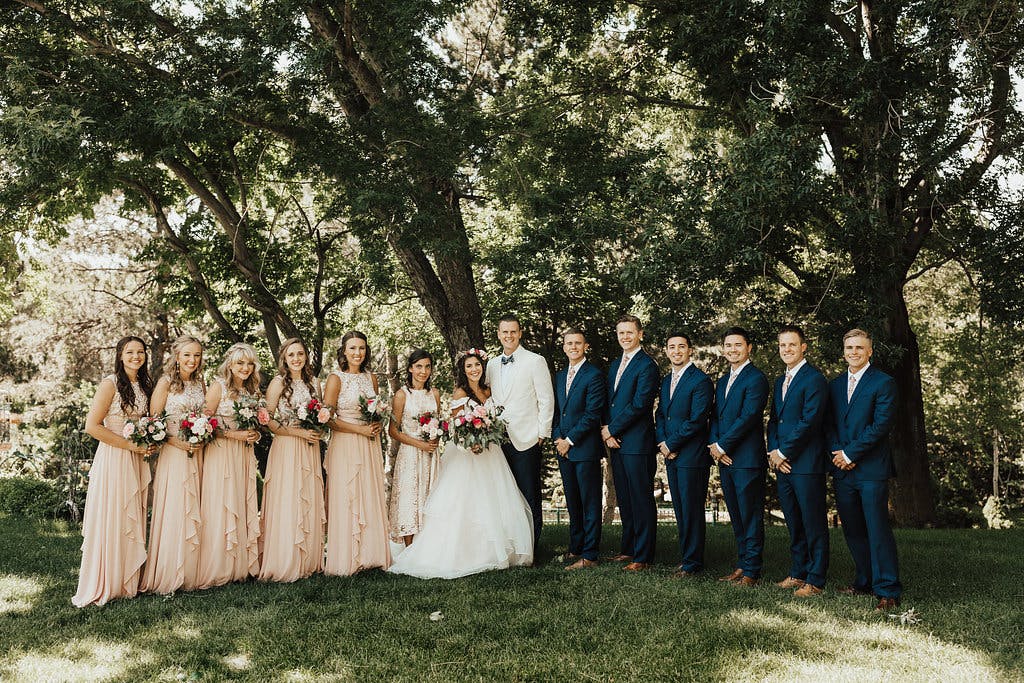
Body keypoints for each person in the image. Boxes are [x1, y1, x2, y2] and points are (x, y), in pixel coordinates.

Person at [388, 349, 533, 578]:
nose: (474, 369)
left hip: (490, 452)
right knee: (462, 501)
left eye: (477, 365)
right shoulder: (459, 392)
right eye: (469, 366)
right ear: (463, 370)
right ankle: (458, 551)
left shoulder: (489, 390)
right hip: (466, 453)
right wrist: (470, 442)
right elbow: (457, 425)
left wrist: (488, 434)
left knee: (493, 499)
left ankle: (494, 550)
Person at [73, 336, 156, 607]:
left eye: (140, 352)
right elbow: (93, 426)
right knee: (114, 515)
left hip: (137, 457)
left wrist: (148, 441)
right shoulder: (110, 384)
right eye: (130, 352)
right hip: (114, 456)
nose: (136, 356)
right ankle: (107, 580)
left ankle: (128, 580)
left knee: (133, 515)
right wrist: (130, 445)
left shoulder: (145, 385)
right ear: (120, 355)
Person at [827, 329, 902, 611]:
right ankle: (864, 581)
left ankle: (888, 589)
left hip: (871, 468)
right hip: (842, 469)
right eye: (849, 347)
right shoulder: (834, 385)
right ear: (843, 351)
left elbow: (880, 426)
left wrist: (851, 453)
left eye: (859, 348)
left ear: (870, 351)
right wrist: (838, 453)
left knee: (877, 528)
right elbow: (829, 424)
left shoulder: (884, 383)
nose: (854, 352)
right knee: (853, 529)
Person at [767, 325, 830, 597]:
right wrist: (773, 451)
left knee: (813, 522)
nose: (787, 350)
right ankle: (798, 571)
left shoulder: (814, 379)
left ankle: (815, 579)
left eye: (792, 345)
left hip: (805, 464)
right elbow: (773, 421)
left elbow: (810, 421)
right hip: (782, 463)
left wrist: (784, 452)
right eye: (782, 345)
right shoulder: (781, 380)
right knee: (793, 520)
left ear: (804, 347)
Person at [141, 335, 206, 594]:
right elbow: (153, 423)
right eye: (187, 355)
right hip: (174, 453)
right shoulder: (166, 383)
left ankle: (192, 571)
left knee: (195, 507)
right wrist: (176, 442)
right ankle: (169, 571)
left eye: (197, 355)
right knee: (176, 507)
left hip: (198, 452)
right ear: (177, 357)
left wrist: (203, 433)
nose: (192, 360)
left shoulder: (200, 383)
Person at [259, 338, 326, 582]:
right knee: (288, 497)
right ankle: (285, 560)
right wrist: (297, 432)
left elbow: (320, 413)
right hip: (287, 446)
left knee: (307, 496)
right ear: (284, 359)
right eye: (291, 355)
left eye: (300, 354)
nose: (296, 359)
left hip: (309, 446)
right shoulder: (278, 383)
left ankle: (308, 560)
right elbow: (267, 420)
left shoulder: (314, 383)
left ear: (306, 356)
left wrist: (318, 428)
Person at [323, 331, 391, 575]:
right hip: (345, 441)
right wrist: (358, 430)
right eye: (352, 348)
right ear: (343, 351)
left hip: (369, 443)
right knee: (347, 495)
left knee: (369, 492)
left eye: (361, 348)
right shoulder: (335, 379)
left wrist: (378, 423)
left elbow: (375, 410)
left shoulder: (371, 378)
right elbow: (327, 418)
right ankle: (346, 559)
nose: (357, 353)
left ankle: (371, 555)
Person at [197, 342, 263, 589]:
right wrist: (233, 435)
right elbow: (204, 424)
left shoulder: (252, 390)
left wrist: (253, 433)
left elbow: (253, 422)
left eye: (249, 364)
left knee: (241, 501)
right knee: (222, 503)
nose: (245, 368)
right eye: (240, 363)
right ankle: (218, 565)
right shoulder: (218, 387)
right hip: (221, 452)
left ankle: (240, 566)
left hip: (244, 453)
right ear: (230, 364)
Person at [708, 327, 770, 586]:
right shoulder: (723, 380)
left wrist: (722, 446)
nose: (732, 349)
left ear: (749, 348)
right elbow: (716, 417)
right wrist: (714, 444)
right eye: (728, 345)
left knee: (750, 515)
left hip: (746, 459)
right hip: (725, 458)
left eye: (738, 345)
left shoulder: (756, 378)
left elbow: (748, 417)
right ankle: (741, 564)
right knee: (736, 514)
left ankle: (752, 571)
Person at [485, 314, 554, 547]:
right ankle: (510, 545)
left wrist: (542, 434)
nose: (509, 336)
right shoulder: (492, 364)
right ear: (498, 334)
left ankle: (532, 547)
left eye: (513, 331)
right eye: (504, 332)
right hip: (498, 440)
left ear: (520, 333)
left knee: (529, 494)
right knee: (505, 495)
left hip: (527, 438)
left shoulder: (535, 361)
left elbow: (546, 399)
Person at [601, 314, 660, 571]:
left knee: (640, 497)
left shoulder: (647, 365)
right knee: (624, 496)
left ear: (640, 334)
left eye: (629, 332)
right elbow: (610, 401)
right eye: (621, 332)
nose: (625, 337)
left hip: (637, 442)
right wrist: (609, 433)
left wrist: (612, 428)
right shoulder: (615, 364)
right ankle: (629, 548)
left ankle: (643, 555)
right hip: (616, 442)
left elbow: (640, 404)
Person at [655, 333, 713, 578]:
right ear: (666, 351)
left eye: (681, 347)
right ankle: (686, 557)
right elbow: (661, 415)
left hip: (691, 456)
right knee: (680, 509)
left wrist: (672, 443)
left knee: (691, 510)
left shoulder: (700, 381)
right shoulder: (668, 380)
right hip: (672, 455)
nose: (676, 351)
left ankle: (693, 563)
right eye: (671, 347)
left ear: (690, 350)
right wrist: (662, 442)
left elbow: (697, 420)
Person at [551, 328, 607, 570]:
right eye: (569, 343)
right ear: (564, 347)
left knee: (590, 502)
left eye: (578, 343)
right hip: (563, 449)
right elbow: (557, 412)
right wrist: (557, 439)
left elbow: (592, 414)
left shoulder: (594, 375)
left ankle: (590, 555)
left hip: (584, 448)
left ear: (586, 346)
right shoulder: (561, 375)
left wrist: (569, 440)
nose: (573, 347)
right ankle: (576, 548)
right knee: (573, 502)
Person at [388, 348, 442, 546]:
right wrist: (419, 443)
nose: (423, 371)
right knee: (410, 497)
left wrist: (436, 437)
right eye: (419, 366)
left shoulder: (434, 393)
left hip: (431, 454)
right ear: (410, 368)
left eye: (427, 366)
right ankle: (409, 548)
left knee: (430, 495)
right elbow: (393, 431)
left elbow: (439, 422)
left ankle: (429, 546)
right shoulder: (402, 395)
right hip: (411, 453)